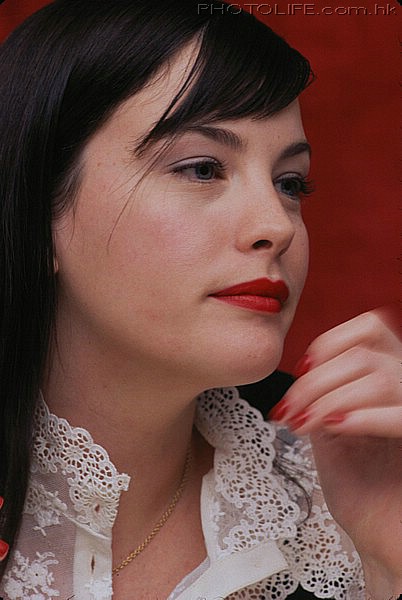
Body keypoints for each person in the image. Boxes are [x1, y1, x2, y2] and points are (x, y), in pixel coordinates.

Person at [0, 1, 401, 598]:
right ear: (36, 216)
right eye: (202, 169)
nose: (278, 225)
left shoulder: (338, 497)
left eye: (290, 183)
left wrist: (389, 560)